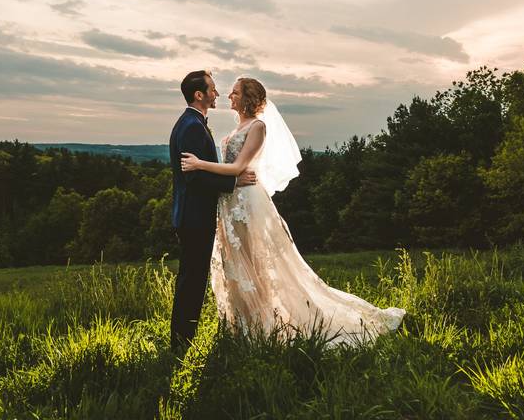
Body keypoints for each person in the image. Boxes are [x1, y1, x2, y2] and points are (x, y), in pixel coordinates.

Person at [181, 77, 405, 347]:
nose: (229, 95)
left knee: (256, 262)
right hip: (230, 202)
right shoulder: (238, 127)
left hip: (248, 203)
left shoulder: (258, 127)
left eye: (236, 92)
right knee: (237, 263)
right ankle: (241, 327)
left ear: (249, 97)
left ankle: (263, 326)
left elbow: (238, 167)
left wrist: (199, 164)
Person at [169, 70, 257, 352]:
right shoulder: (192, 126)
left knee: (192, 279)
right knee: (192, 282)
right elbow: (193, 176)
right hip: (194, 217)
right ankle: (181, 344)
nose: (217, 94)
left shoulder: (193, 122)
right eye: (213, 89)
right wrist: (233, 180)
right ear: (199, 94)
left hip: (192, 215)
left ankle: (181, 341)